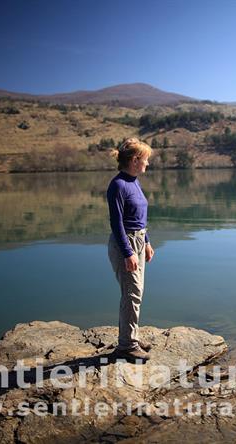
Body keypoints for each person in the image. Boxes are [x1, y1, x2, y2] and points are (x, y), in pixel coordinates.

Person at [106, 138, 155, 361]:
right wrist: (128, 252)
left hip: (138, 240)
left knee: (136, 293)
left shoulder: (133, 181)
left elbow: (138, 217)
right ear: (135, 160)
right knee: (132, 293)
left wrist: (146, 242)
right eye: (145, 160)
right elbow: (117, 223)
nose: (147, 164)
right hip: (125, 243)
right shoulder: (118, 185)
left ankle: (131, 336)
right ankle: (126, 345)